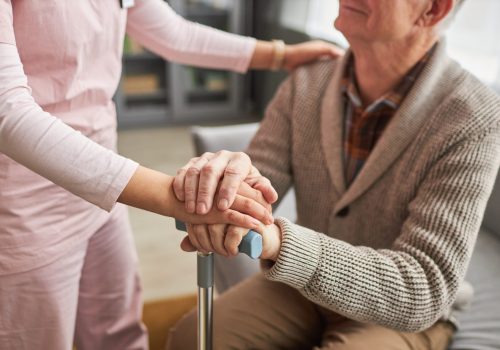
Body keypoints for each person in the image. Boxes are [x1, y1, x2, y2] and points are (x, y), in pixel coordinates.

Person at [0, 1, 343, 349]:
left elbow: (172, 32)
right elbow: (8, 115)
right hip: (26, 203)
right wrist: (178, 199)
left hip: (100, 184)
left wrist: (281, 56)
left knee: (119, 332)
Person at [169, 0, 500, 349]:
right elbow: (257, 183)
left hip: (399, 312)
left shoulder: (474, 118)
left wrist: (283, 244)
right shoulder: (308, 81)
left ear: (433, 10)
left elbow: (425, 286)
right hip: (304, 289)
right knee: (192, 339)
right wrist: (223, 181)